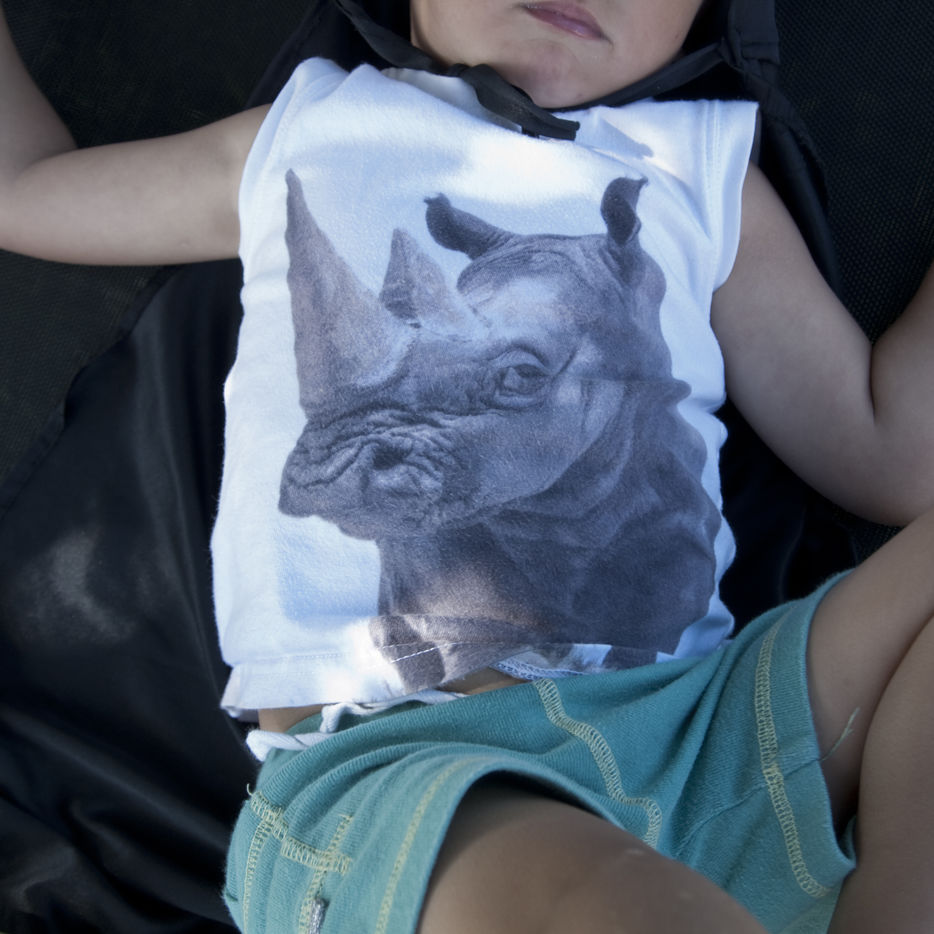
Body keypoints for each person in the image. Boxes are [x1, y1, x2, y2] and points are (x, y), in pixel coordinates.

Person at [2, 1, 933, 932]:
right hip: (404, 766)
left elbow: (891, 452)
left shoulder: (702, 173)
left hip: (699, 731)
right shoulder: (308, 129)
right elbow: (21, 187)